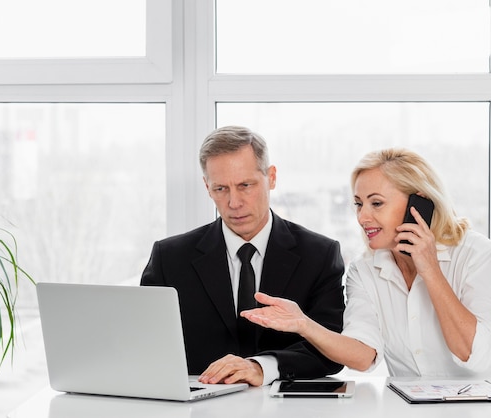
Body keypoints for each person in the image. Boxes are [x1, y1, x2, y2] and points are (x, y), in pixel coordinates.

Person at [242, 148, 491, 378]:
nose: (363, 217)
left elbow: (472, 354)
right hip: (420, 407)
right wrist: (303, 324)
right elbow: (364, 356)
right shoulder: (365, 270)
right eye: (358, 203)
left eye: (376, 204)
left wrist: (430, 270)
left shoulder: (475, 253)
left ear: (419, 204)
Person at [140, 126, 345, 386]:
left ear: (271, 177)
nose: (234, 203)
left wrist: (262, 366)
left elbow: (332, 349)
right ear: (207, 186)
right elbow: (146, 344)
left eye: (245, 185)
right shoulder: (169, 258)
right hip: (197, 405)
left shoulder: (320, 254)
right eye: (220, 189)